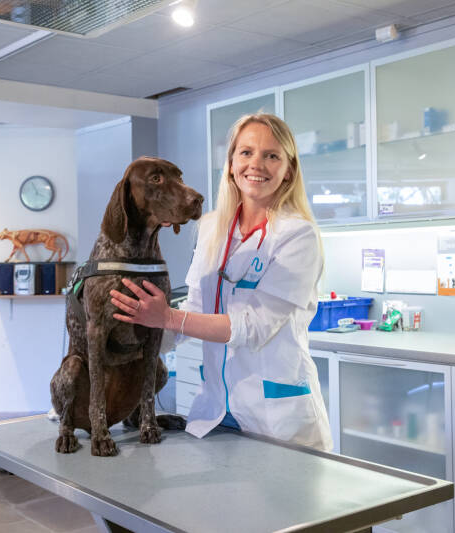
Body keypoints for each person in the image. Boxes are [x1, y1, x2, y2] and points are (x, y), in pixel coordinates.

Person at [109, 113, 332, 451]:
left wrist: (166, 317)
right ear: (230, 163)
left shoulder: (297, 235)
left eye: (272, 155)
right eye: (246, 152)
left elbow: (254, 326)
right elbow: (195, 311)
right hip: (215, 414)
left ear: (288, 170)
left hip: (276, 419)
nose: (256, 163)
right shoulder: (212, 228)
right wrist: (132, 337)